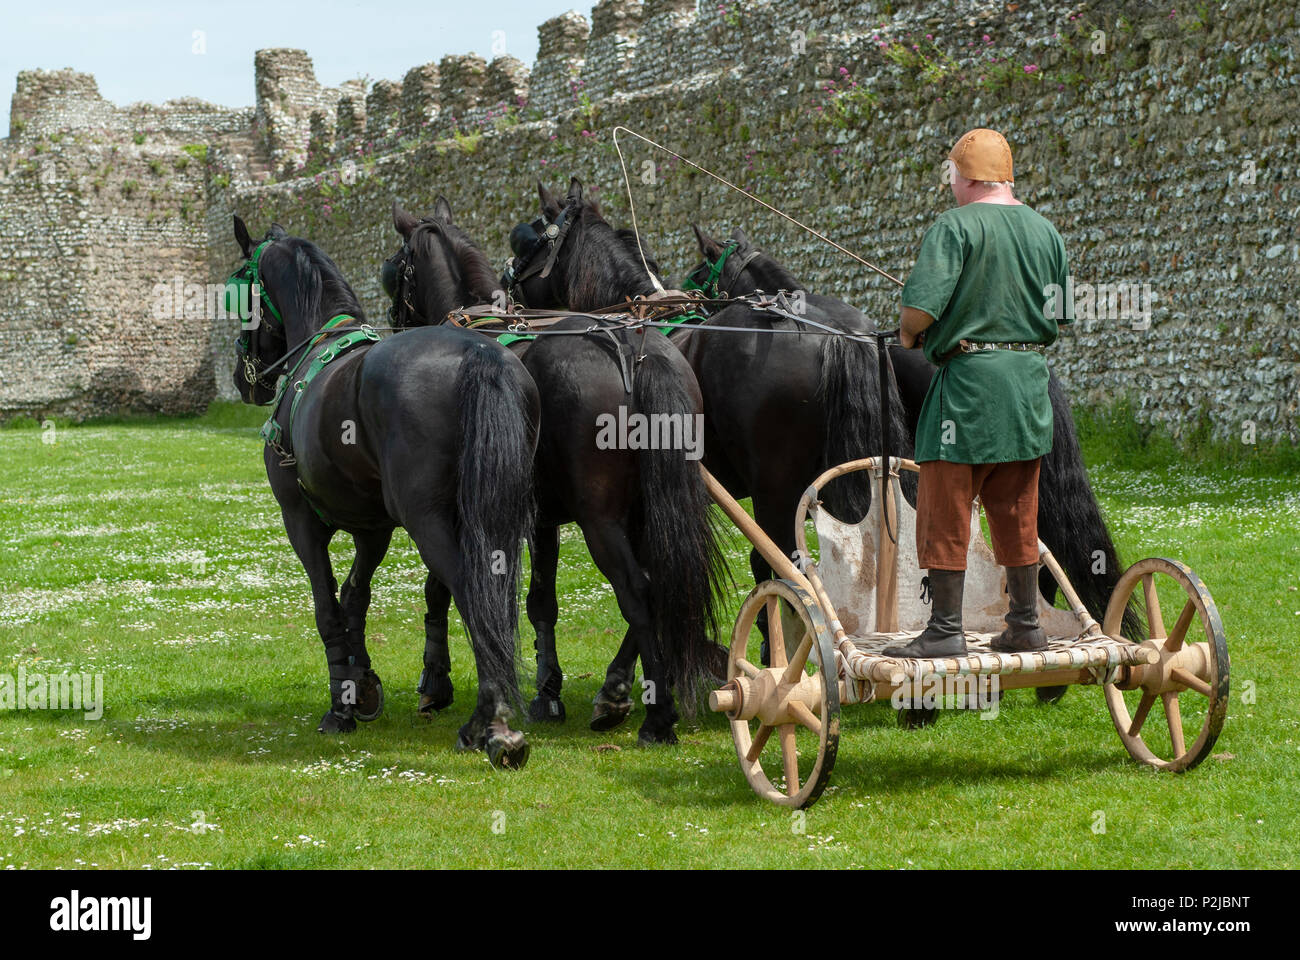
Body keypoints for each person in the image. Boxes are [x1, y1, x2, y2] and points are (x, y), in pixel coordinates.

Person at [884, 128, 1071, 659]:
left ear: (964, 178)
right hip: (1027, 388)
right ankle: (1026, 623)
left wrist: (910, 331)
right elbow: (1056, 313)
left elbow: (919, 312)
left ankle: (945, 630)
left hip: (968, 388)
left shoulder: (955, 226)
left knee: (945, 502)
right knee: (1016, 508)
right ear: (1006, 178)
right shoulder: (1046, 230)